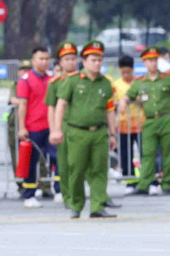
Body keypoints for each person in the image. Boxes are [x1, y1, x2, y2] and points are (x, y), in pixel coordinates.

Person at [51, 40, 118, 219]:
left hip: (99, 132)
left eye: (100, 60)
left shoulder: (105, 84)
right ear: (85, 61)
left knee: (99, 170)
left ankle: (97, 206)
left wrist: (113, 134)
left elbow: (110, 110)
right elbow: (60, 105)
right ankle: (76, 204)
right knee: (77, 170)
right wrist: (56, 129)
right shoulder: (73, 81)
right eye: (93, 60)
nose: (97, 63)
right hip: (77, 132)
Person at [120, 47, 170, 196]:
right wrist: (123, 100)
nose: (153, 63)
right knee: (147, 154)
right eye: (149, 61)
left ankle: (167, 183)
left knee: (168, 153)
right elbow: (129, 95)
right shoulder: (139, 82)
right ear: (144, 63)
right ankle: (145, 184)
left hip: (166, 119)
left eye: (155, 60)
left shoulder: (167, 78)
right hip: (149, 121)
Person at [17, 47, 56, 208]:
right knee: (31, 162)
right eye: (41, 58)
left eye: (47, 58)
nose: (45, 62)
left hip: (51, 126)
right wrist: (22, 127)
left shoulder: (53, 79)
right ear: (34, 61)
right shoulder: (25, 79)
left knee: (57, 158)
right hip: (33, 127)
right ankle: (29, 195)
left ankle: (59, 191)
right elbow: (22, 104)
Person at [46, 42, 78, 209]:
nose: (70, 62)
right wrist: (54, 130)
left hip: (80, 127)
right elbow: (51, 108)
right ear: (60, 62)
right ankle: (67, 195)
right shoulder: (55, 82)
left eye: (73, 58)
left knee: (81, 164)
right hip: (63, 127)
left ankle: (84, 194)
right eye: (66, 59)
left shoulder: (84, 79)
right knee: (64, 164)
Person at [112, 55, 144, 195]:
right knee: (125, 155)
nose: (126, 75)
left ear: (133, 70)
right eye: (123, 72)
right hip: (124, 126)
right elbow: (112, 105)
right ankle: (130, 182)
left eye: (128, 72)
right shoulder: (116, 85)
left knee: (145, 153)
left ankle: (146, 180)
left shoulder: (139, 82)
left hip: (141, 124)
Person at [7, 59, 32, 193]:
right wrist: (25, 101)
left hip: (32, 120)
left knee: (36, 154)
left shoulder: (34, 83)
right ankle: (20, 184)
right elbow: (12, 99)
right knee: (16, 153)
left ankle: (41, 184)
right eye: (22, 70)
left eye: (28, 70)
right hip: (15, 122)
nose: (25, 73)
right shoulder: (15, 85)